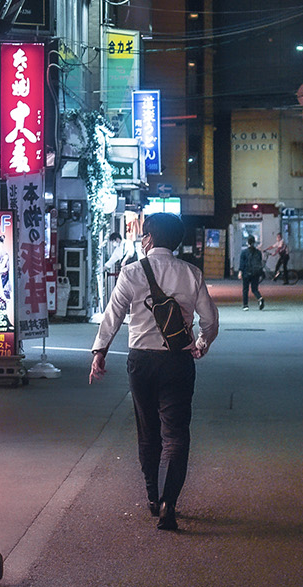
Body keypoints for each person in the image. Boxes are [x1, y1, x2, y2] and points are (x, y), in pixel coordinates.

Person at [89, 212, 219, 532]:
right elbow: (210, 319)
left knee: (148, 430)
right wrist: (201, 343)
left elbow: (113, 314)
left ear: (147, 238)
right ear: (177, 241)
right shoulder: (191, 273)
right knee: (176, 433)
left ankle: (151, 495)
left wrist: (100, 351)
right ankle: (169, 504)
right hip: (177, 360)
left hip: (141, 361)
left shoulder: (131, 272)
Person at [237, 235, 265, 310]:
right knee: (254, 289)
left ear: (247, 242)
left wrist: (240, 272)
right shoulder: (258, 252)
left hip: (246, 273)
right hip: (256, 273)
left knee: (245, 289)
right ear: (254, 242)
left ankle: (245, 305)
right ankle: (260, 298)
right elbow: (259, 263)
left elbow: (242, 263)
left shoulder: (244, 252)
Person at [101, 232, 126, 309]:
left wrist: (124, 260)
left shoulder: (127, 243)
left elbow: (131, 253)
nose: (113, 244)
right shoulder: (118, 250)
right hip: (125, 271)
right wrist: (102, 269)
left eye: (113, 242)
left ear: (117, 239)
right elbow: (112, 260)